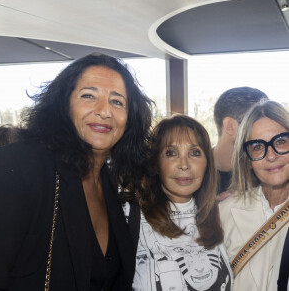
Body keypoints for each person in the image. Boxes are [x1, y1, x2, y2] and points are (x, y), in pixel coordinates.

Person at [0, 53, 153, 290]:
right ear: (63, 104)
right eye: (89, 96)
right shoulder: (16, 167)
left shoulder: (111, 184)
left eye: (117, 101)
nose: (104, 110)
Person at [123, 114, 233, 291]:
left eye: (195, 153)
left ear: (207, 163)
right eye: (171, 153)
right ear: (156, 163)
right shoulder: (128, 214)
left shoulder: (220, 213)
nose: (184, 164)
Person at [219, 100, 289, 291]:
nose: (271, 156)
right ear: (247, 160)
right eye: (258, 147)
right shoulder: (224, 211)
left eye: (281, 141)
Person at [213, 87, 268, 194]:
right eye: (255, 120)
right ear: (230, 126)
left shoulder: (268, 168)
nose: (265, 128)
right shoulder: (191, 173)